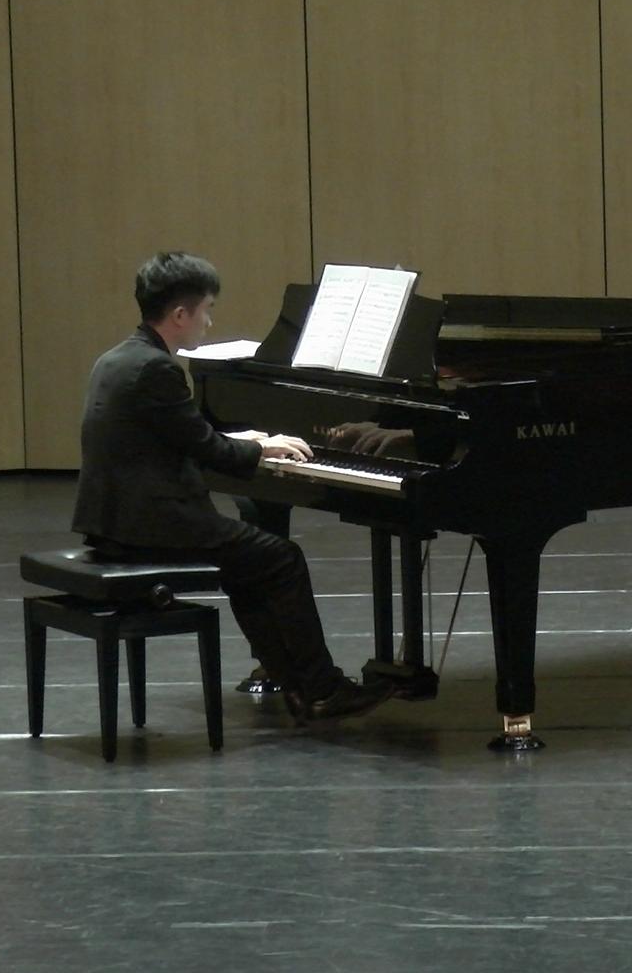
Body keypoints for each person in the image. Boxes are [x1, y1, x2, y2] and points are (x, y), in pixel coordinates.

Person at [72, 251, 392, 725]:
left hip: (113, 520)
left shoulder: (119, 358)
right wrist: (260, 449)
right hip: (151, 525)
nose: (209, 321)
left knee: (249, 564)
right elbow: (208, 450)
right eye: (206, 310)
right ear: (180, 315)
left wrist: (246, 440)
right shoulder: (158, 370)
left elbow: (182, 434)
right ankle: (322, 689)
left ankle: (300, 687)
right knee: (281, 559)